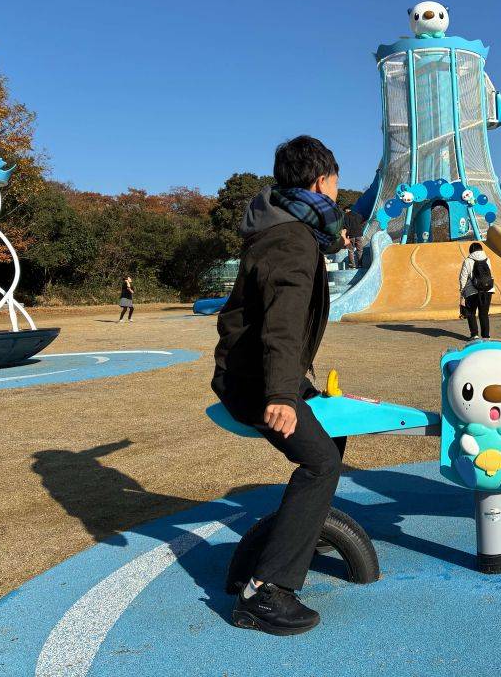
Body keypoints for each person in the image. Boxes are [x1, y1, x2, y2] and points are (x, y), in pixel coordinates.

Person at [212, 135, 346, 636]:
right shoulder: (293, 239)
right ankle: (266, 592)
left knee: (333, 433)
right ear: (319, 182)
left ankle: (303, 532)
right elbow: (282, 323)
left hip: (259, 373)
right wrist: (282, 396)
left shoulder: (282, 226)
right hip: (252, 382)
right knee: (320, 462)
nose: (337, 192)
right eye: (335, 182)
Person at [458, 242, 495, 339]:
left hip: (472, 291)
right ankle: (486, 336)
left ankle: (474, 335)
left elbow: (463, 278)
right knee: (484, 313)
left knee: (471, 312)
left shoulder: (467, 261)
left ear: (471, 250)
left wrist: (462, 291)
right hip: (487, 290)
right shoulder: (487, 259)